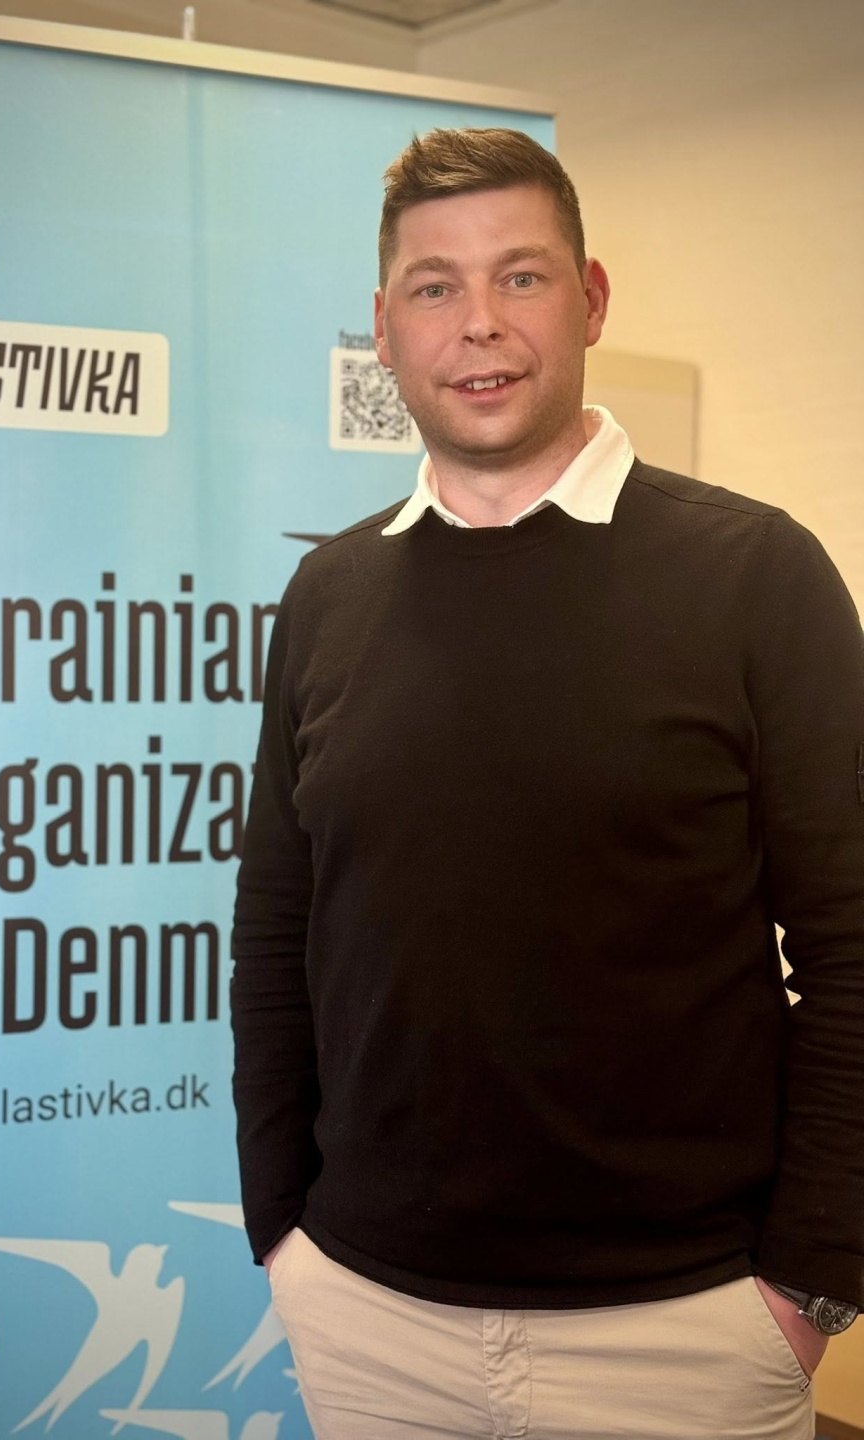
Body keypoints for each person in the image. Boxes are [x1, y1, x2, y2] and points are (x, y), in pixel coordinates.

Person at [230, 127, 863, 1440]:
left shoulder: (756, 576)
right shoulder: (329, 594)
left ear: (591, 298)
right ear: (385, 327)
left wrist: (809, 1282)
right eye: (436, 286)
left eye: (520, 276)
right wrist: (283, 1230)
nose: (480, 323)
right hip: (368, 1319)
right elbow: (277, 934)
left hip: (683, 1333)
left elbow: (855, 947)